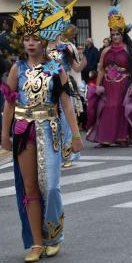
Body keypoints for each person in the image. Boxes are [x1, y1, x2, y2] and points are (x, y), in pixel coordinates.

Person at [1, 0, 83, 263]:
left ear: (45, 40)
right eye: (27, 38)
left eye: (36, 38)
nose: (31, 43)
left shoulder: (55, 67)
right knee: (30, 186)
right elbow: (9, 104)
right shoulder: (17, 68)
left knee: (50, 186)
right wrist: (4, 134)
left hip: (49, 129)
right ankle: (36, 242)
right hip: (23, 131)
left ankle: (53, 234)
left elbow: (66, 104)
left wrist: (76, 134)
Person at [86, 0, 132, 147]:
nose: (115, 37)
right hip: (108, 86)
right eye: (112, 35)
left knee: (120, 108)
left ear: (123, 35)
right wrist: (98, 87)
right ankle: (104, 138)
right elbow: (100, 70)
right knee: (106, 108)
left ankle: (123, 137)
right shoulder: (105, 51)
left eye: (117, 34)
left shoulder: (130, 52)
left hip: (123, 86)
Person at [48, 18, 84, 168]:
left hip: (63, 86)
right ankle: (50, 154)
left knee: (66, 120)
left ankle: (67, 155)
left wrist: (84, 60)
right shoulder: (41, 48)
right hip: (46, 88)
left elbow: (76, 68)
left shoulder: (66, 48)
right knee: (49, 122)